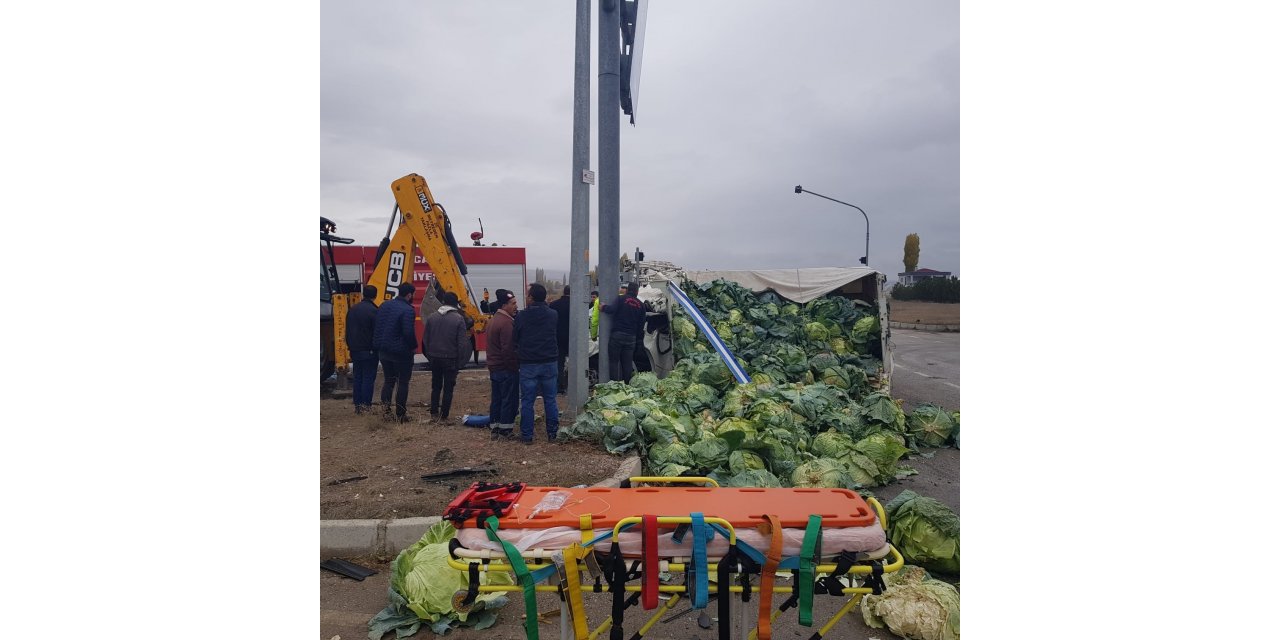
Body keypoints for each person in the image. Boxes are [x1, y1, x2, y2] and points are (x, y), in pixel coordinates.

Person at [513, 283, 560, 444]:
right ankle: (552, 433)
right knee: (550, 399)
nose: (526, 297)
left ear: (531, 297)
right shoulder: (553, 314)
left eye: (527, 295)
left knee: (527, 400)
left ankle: (527, 436)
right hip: (549, 361)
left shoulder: (521, 316)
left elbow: (515, 337)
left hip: (528, 363)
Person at [422, 290, 471, 422]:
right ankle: (444, 416)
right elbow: (461, 343)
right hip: (450, 358)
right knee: (448, 388)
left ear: (443, 302)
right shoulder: (458, 319)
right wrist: (459, 361)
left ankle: (433, 413)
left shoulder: (432, 317)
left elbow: (425, 339)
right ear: (456, 304)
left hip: (434, 357)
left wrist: (430, 355)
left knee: (436, 386)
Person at [373, 282, 418, 422]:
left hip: (384, 351)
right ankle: (401, 414)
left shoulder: (384, 305)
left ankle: (386, 412)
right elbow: (408, 332)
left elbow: (378, 327)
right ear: (409, 294)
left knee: (388, 381)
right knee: (403, 383)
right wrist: (413, 346)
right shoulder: (408, 310)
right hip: (401, 353)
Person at [485, 289, 519, 440]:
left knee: (497, 399)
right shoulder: (506, 323)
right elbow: (508, 350)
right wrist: (514, 367)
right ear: (505, 305)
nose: (516, 306)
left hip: (495, 367)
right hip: (505, 368)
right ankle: (505, 430)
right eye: (513, 303)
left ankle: (495, 428)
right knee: (508, 399)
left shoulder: (494, 320)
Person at [601, 281, 646, 383]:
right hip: (631, 338)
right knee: (627, 364)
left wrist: (603, 307)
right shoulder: (641, 305)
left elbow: (612, 309)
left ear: (627, 290)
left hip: (617, 335)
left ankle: (614, 385)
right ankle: (627, 386)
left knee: (614, 362)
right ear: (637, 291)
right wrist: (637, 339)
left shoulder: (621, 299)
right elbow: (641, 325)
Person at [344, 284, 380, 414]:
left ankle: (358, 406)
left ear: (363, 294)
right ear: (375, 296)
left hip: (354, 349)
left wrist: (350, 346)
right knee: (368, 378)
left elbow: (346, 330)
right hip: (369, 350)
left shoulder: (352, 310)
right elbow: (377, 332)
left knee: (358, 377)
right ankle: (366, 406)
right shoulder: (374, 311)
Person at [548, 285, 572, 394]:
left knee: (559, 362)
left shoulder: (554, 305)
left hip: (557, 337)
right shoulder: (576, 305)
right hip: (573, 338)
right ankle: (573, 385)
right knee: (575, 362)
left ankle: (560, 386)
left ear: (563, 292)